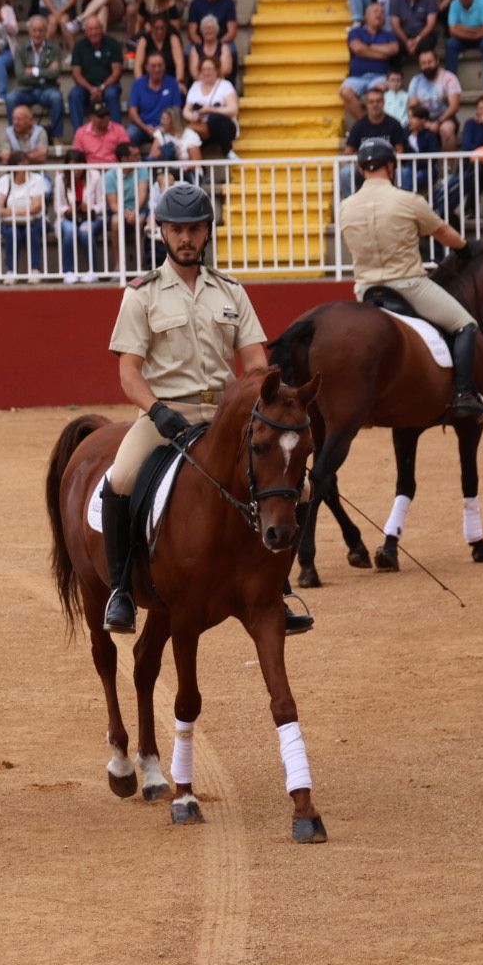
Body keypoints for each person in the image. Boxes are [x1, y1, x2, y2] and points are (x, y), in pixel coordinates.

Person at [102, 182, 303, 635]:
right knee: (120, 480)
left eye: (194, 228)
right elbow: (129, 372)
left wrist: (260, 400)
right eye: (177, 229)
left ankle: (279, 586)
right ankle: (121, 591)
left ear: (208, 231)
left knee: (297, 490)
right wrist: (155, 410)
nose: (186, 238)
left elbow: (255, 363)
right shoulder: (141, 294)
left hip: (227, 418)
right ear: (162, 234)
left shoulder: (230, 291)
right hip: (166, 415)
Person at [339, 138, 483, 423]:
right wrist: (463, 247)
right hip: (409, 286)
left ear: (360, 170)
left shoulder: (346, 207)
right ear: (391, 166)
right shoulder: (408, 200)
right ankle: (464, 394)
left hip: (367, 291)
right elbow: (442, 232)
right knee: (465, 324)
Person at [9, 16, 67, 140]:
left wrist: (34, 71)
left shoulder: (54, 48)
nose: (37, 34)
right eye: (34, 30)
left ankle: (57, 137)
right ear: (29, 31)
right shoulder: (20, 48)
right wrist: (45, 73)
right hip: (26, 90)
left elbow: (55, 74)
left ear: (46, 31)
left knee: (56, 98)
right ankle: (13, 136)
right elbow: (20, 76)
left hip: (47, 89)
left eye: (41, 30)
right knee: (11, 98)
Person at [0, 152, 51, 281]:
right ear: (13, 166)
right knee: (13, 233)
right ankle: (11, 271)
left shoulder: (37, 179)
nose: (25, 167)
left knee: (31, 231)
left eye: (27, 164)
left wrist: (12, 211)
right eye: (22, 164)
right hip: (10, 223)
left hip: (36, 220)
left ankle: (35, 270)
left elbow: (37, 207)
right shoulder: (5, 180)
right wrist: (23, 211)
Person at [54, 148, 105, 282]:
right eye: (72, 167)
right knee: (70, 231)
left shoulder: (95, 176)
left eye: (78, 166)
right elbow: (57, 207)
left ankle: (93, 271)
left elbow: (102, 204)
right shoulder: (60, 178)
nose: (76, 171)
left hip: (91, 217)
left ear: (84, 164)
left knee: (84, 230)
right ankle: (68, 271)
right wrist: (67, 210)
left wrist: (90, 208)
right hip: (69, 218)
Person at [342, 3, 398, 122]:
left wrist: (367, 46)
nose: (379, 14)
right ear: (366, 16)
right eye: (375, 11)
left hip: (379, 77)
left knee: (379, 92)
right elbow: (358, 49)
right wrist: (382, 54)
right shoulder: (355, 32)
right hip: (356, 77)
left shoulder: (389, 35)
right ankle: (366, 124)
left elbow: (393, 49)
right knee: (346, 92)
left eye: (382, 13)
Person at [70, 14, 125, 130]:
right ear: (85, 32)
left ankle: (116, 133)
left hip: (108, 86)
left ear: (102, 29)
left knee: (111, 93)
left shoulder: (113, 44)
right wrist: (91, 89)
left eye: (96, 28)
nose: (94, 32)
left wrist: (102, 87)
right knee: (74, 94)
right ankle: (78, 133)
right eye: (90, 29)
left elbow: (117, 72)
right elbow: (76, 73)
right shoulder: (79, 46)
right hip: (86, 88)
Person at [127, 51, 185, 149]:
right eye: (153, 66)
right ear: (146, 67)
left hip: (167, 128)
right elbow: (132, 112)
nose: (157, 69)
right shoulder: (138, 84)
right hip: (143, 127)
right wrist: (145, 128)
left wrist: (163, 127)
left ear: (164, 66)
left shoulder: (172, 83)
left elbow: (176, 111)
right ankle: (135, 163)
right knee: (131, 133)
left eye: (160, 65)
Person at [182, 58, 238, 155]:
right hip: (201, 125)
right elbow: (186, 110)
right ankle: (198, 167)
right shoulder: (195, 86)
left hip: (224, 127)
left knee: (215, 118)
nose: (206, 72)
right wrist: (193, 116)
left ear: (216, 70)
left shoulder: (225, 85)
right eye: (203, 69)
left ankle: (227, 151)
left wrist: (210, 110)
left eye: (209, 69)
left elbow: (233, 110)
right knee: (190, 131)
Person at [408, 47, 461, 148]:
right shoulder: (416, 81)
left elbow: (454, 106)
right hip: (422, 118)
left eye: (430, 62)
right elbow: (413, 106)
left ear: (437, 61)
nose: (427, 66)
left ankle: (449, 164)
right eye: (423, 63)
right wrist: (425, 123)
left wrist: (438, 122)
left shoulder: (449, 78)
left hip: (445, 118)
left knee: (446, 129)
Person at [444, 0, 483, 81]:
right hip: (466, 38)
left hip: (482, 38)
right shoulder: (454, 4)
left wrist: (461, 28)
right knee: (450, 44)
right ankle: (451, 83)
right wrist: (477, 32)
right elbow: (452, 31)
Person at [133, 13, 188, 86]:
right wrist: (141, 84)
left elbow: (179, 63)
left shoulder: (173, 39)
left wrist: (179, 81)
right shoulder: (144, 41)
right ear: (151, 27)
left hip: (170, 80)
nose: (159, 31)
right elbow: (138, 65)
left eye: (162, 28)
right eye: (156, 28)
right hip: (149, 82)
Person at [389, 0, 440, 67]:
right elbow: (395, 25)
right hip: (403, 36)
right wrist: (407, 42)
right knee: (392, 44)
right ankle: (395, 74)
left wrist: (417, 40)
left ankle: (427, 70)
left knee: (429, 41)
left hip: (423, 36)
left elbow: (431, 24)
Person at [187, 13, 236, 81]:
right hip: (200, 83)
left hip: (220, 82)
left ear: (217, 30)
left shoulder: (224, 48)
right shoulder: (195, 49)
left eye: (210, 28)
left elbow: (226, 70)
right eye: (205, 28)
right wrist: (206, 80)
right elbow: (194, 73)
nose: (208, 30)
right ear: (201, 31)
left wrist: (210, 80)